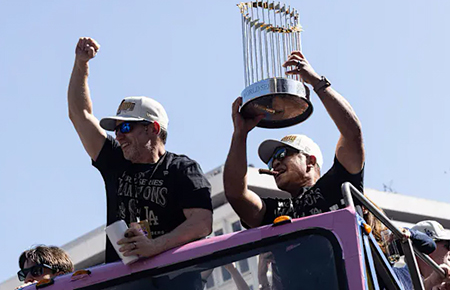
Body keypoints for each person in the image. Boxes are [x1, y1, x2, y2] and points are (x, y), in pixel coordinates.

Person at [68, 37, 213, 264]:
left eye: (126, 127)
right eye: (116, 129)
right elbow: (80, 115)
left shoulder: (183, 169)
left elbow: (202, 222)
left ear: (153, 128)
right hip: (127, 282)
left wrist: (154, 246)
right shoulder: (115, 160)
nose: (118, 135)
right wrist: (81, 64)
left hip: (174, 280)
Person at [224, 50, 364, 229]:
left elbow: (352, 133)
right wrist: (240, 134)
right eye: (271, 161)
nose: (274, 163)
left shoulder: (340, 184)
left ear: (310, 161)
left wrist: (316, 82)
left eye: (282, 154)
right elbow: (235, 194)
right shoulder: (278, 212)